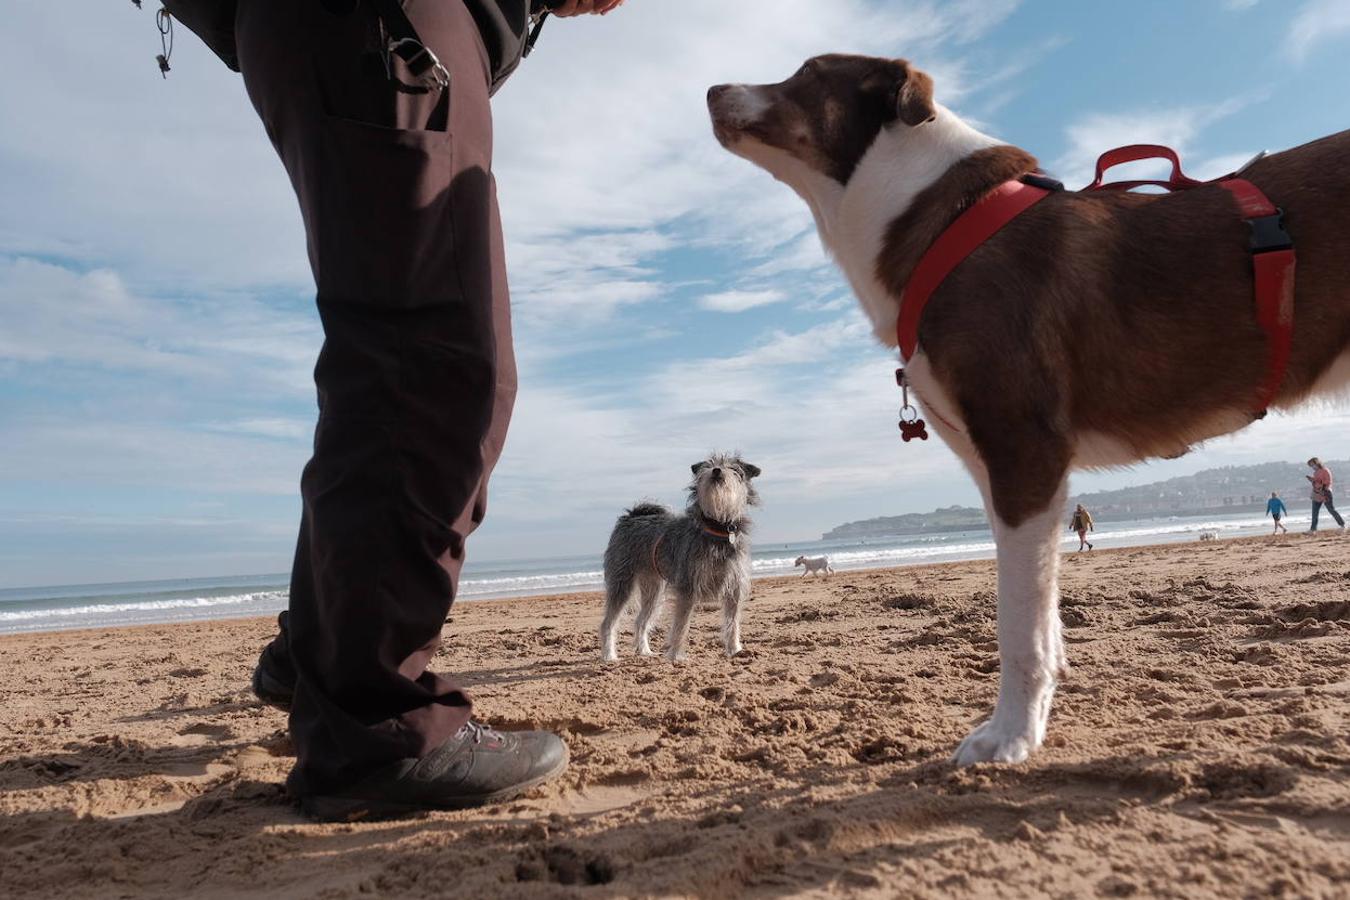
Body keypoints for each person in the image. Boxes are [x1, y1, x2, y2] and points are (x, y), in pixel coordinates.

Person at [238, 0, 626, 822]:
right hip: (385, 25)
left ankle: (322, 660)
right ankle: (377, 727)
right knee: (432, 364)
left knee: (409, 356)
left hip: (364, 34)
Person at [1306, 457, 1345, 532]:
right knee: (1314, 512)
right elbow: (1316, 483)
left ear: (1317, 463)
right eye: (1311, 466)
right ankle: (1313, 529)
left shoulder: (1325, 470)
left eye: (1312, 465)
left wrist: (1318, 484)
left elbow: (1328, 482)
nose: (1312, 467)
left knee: (1331, 510)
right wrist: (1312, 480)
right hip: (1316, 494)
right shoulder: (1315, 473)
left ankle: (1342, 525)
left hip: (1325, 493)